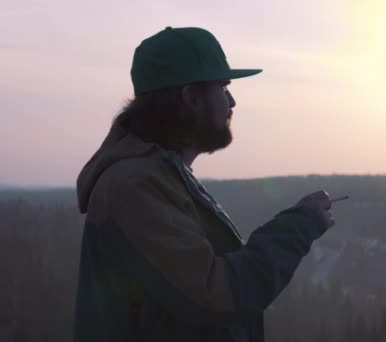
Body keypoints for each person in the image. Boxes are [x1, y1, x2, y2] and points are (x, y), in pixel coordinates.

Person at [74, 26, 335, 342]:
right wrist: (299, 225)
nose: (232, 101)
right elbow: (218, 296)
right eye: (223, 88)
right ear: (191, 98)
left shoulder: (160, 177)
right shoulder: (134, 186)